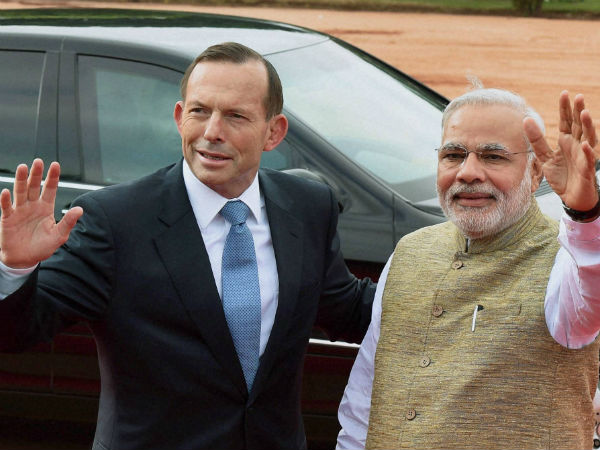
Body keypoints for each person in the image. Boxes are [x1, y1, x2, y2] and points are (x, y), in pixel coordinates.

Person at [0, 42, 375, 450]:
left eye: (235, 116)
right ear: (180, 117)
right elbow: (18, 331)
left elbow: (348, 309)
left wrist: (429, 266)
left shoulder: (307, 206)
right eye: (200, 111)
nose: (212, 132)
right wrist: (14, 268)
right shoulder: (116, 221)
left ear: (274, 132)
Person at [336, 87, 600, 449]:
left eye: (493, 156)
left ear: (535, 170)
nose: (468, 172)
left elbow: (591, 289)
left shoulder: (565, 259)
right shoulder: (410, 251)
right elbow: (364, 397)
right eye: (453, 155)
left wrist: (585, 215)